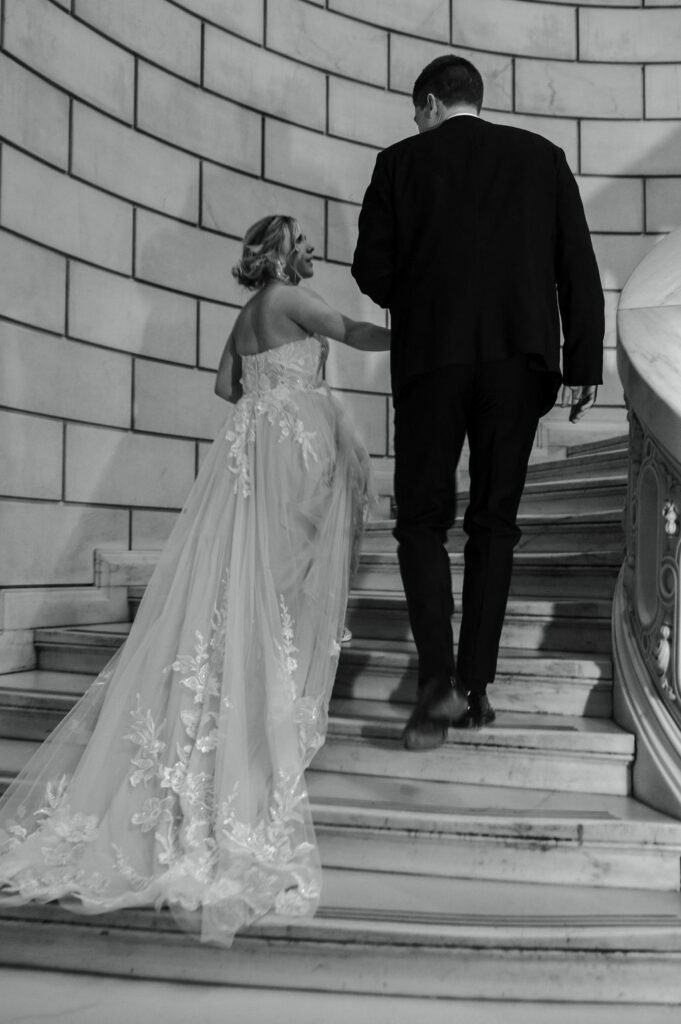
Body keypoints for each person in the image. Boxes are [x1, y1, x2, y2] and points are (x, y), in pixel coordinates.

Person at [0, 214, 390, 945]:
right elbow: (353, 331)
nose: (309, 250)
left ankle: (243, 696)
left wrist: (268, 401)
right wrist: (419, 330)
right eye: (299, 242)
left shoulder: (247, 313)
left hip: (252, 446)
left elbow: (223, 385)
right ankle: (259, 711)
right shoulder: (289, 299)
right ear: (277, 253)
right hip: (283, 450)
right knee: (278, 581)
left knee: (243, 583)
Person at [352, 56, 604, 751]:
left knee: (421, 521)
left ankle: (434, 679)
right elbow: (575, 262)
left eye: (416, 112)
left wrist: (428, 291)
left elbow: (370, 269)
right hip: (518, 363)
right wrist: (583, 361)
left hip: (431, 360)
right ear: (475, 100)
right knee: (494, 522)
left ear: (430, 101)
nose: (417, 124)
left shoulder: (398, 163)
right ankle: (476, 686)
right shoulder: (540, 157)